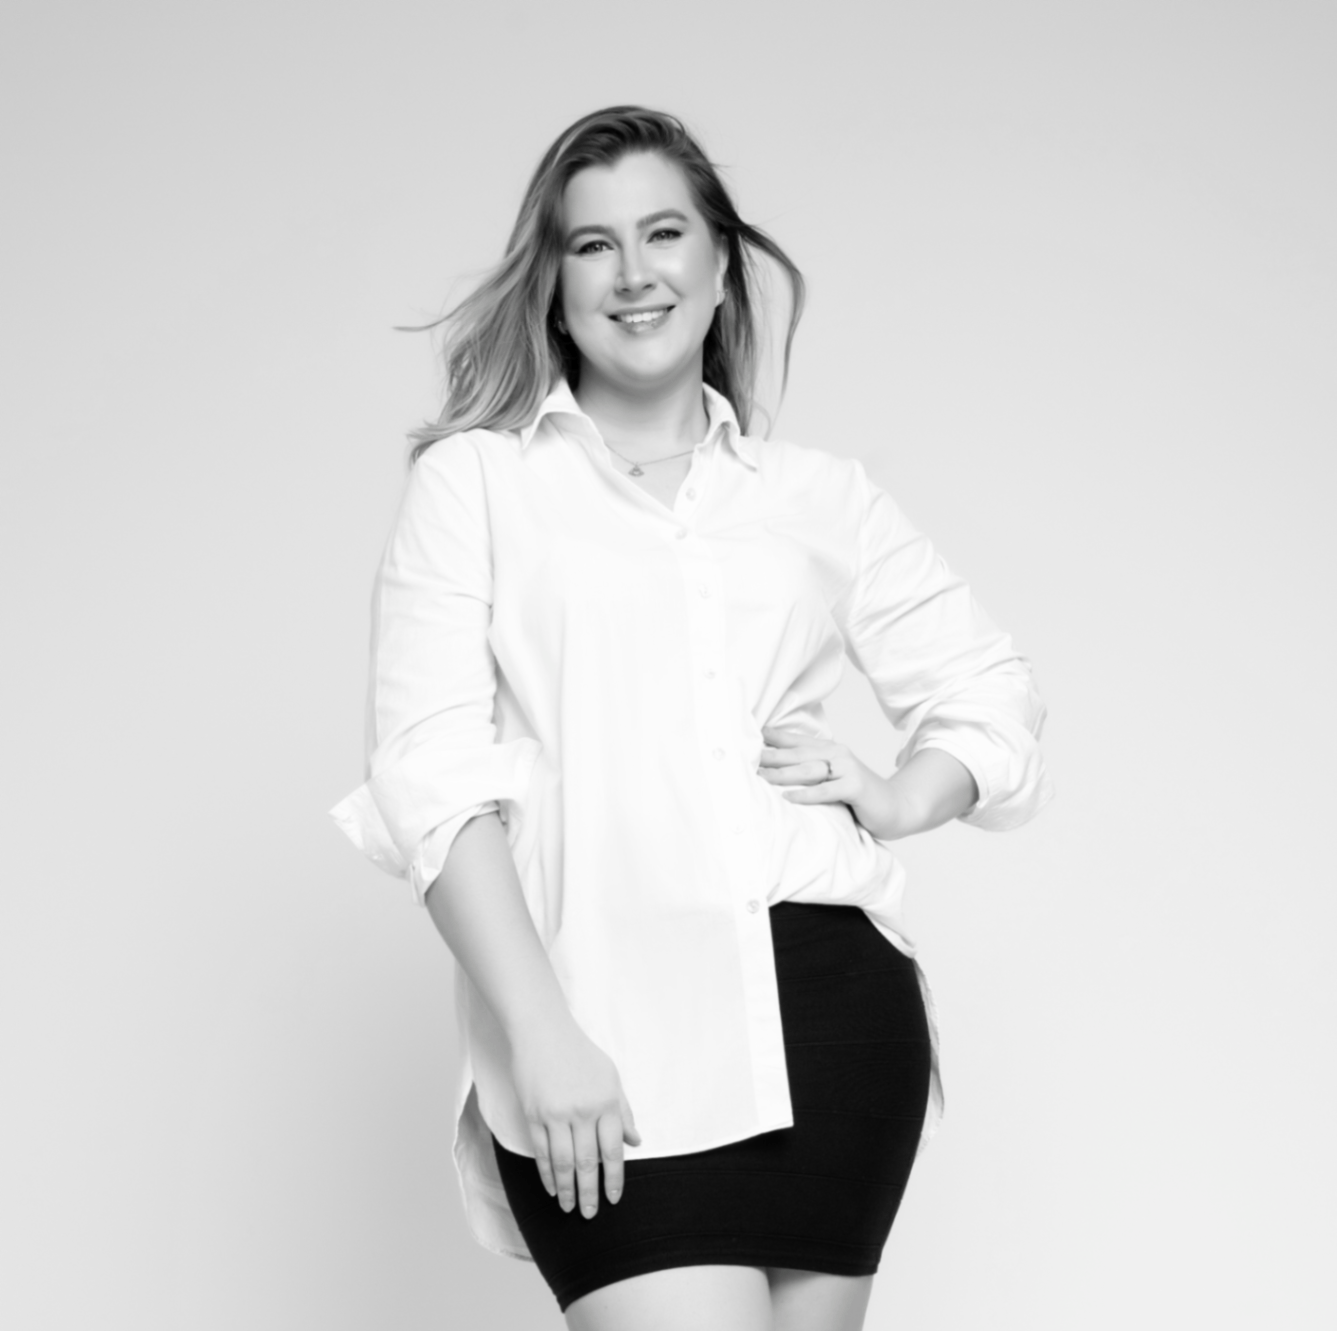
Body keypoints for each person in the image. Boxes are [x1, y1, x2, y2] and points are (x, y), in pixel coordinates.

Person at [330, 105, 1053, 1331]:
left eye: (663, 233)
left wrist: (895, 797)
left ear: (720, 268)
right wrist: (540, 1031)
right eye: (592, 244)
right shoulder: (478, 483)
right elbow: (430, 781)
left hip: (831, 1022)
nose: (633, 272)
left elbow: (991, 691)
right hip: (598, 1026)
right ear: (553, 287)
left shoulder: (815, 496)